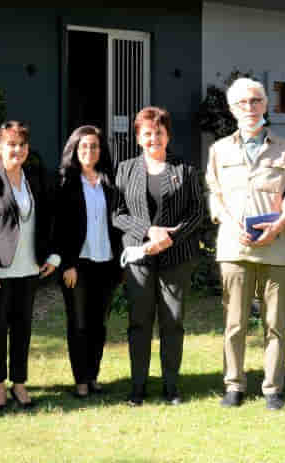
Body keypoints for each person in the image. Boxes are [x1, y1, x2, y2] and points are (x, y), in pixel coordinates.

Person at [205, 78, 285, 410]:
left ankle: (272, 389)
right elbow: (214, 195)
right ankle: (234, 386)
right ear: (232, 109)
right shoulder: (219, 150)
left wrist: (280, 224)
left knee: (274, 324)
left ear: (265, 105)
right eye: (241, 103)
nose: (249, 108)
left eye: (255, 101)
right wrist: (228, 221)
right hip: (234, 248)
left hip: (275, 249)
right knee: (234, 323)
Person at [112, 106, 205, 406]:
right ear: (139, 138)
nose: (154, 138)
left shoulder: (185, 169)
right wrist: (149, 231)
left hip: (176, 256)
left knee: (172, 321)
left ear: (168, 136)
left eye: (159, 133)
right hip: (139, 257)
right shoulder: (125, 169)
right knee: (139, 322)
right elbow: (117, 214)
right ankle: (137, 387)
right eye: (148, 133)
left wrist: (169, 238)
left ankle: (171, 387)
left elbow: (197, 212)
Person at [0, 121, 60, 409]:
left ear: (27, 148)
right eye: (11, 144)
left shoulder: (35, 177)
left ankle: (19, 384)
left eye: (21, 144)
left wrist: (53, 255)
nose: (17, 149)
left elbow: (50, 217)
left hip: (29, 267)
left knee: (22, 328)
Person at [55, 125, 121, 398]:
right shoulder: (65, 182)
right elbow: (58, 227)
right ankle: (80, 379)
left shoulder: (110, 180)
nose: (89, 151)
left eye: (94, 146)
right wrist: (66, 264)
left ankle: (93, 376)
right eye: (84, 146)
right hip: (77, 265)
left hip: (107, 262)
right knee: (79, 324)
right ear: (75, 149)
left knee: (99, 324)